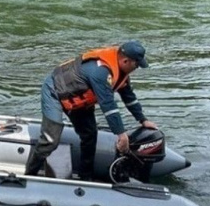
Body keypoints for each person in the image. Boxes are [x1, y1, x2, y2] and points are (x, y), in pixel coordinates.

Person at [24, 40, 158, 180]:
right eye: (136, 65)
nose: (137, 68)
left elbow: (129, 97)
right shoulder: (100, 72)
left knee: (90, 134)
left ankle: (85, 176)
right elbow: (108, 105)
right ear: (126, 61)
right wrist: (121, 134)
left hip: (77, 98)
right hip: (55, 92)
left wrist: (142, 119)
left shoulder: (121, 73)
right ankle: (29, 175)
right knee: (50, 140)